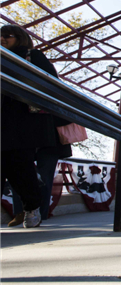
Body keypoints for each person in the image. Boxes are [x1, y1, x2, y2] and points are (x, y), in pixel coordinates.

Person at [1, 24, 71, 228]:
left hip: (24, 123)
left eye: (8, 36)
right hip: (3, 119)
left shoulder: (33, 56)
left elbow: (52, 84)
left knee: (19, 166)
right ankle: (29, 206)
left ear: (20, 38)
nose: (2, 39)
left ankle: (32, 207)